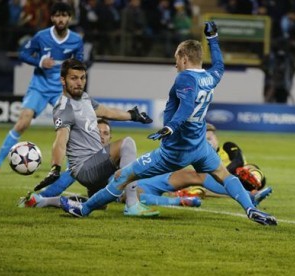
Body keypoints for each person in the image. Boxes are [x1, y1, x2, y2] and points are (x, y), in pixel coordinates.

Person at [60, 22, 278, 226]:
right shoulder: (212, 76)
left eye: (176, 58)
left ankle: (84, 209)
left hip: (174, 151)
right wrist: (213, 39)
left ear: (184, 58)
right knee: (224, 175)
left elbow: (187, 105)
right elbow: (219, 64)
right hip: (200, 147)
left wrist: (171, 126)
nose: (175, 63)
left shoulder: (185, 78)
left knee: (122, 175)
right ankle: (250, 208)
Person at [37, 58, 159, 217]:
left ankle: (46, 201)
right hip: (85, 167)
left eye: (82, 78)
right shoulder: (64, 108)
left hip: (97, 163)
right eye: (74, 78)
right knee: (127, 144)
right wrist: (55, 168)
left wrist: (132, 115)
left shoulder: (85, 98)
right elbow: (60, 140)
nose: (79, 82)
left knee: (100, 204)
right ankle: (132, 204)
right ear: (63, 80)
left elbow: (106, 112)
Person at [0, 2, 84, 175]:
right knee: (23, 122)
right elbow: (23, 54)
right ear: (52, 18)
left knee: (67, 127)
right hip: (40, 86)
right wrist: (40, 62)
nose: (60, 19)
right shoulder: (41, 36)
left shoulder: (76, 40)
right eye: (57, 15)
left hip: (60, 90)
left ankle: (70, 168)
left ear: (70, 18)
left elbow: (80, 64)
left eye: (64, 15)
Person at [136, 123, 273, 207]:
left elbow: (238, 161)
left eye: (210, 138)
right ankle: (183, 200)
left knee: (200, 176)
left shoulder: (226, 148)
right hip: (140, 185)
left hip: (231, 176)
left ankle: (251, 194)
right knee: (135, 195)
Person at [17, 119, 116, 208]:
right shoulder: (84, 154)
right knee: (98, 203)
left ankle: (43, 200)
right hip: (105, 194)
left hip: (121, 191)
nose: (101, 136)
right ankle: (41, 200)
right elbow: (65, 180)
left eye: (105, 133)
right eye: (98, 132)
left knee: (101, 202)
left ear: (110, 137)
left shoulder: (113, 154)